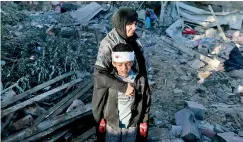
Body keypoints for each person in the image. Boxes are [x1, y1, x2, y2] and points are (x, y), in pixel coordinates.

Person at [92, 7, 151, 141]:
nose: (134, 27)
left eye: (135, 23)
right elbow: (99, 75)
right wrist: (124, 87)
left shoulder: (134, 39)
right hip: (113, 103)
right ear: (120, 24)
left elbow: (141, 67)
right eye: (129, 24)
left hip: (134, 102)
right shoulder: (108, 44)